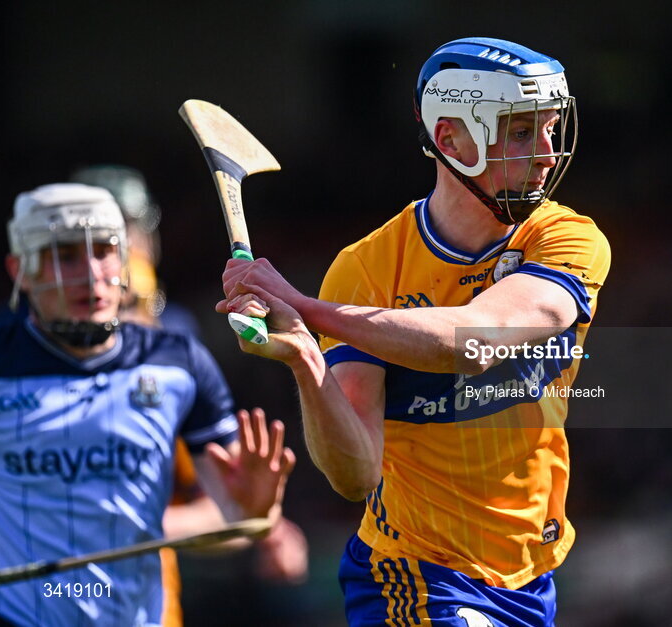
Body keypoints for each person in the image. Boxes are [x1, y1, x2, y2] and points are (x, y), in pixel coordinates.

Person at [218, 37, 609, 624]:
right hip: (415, 576)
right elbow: (354, 475)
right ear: (451, 139)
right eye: (523, 132)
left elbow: (480, 338)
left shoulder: (566, 238)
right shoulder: (368, 269)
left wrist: (309, 310)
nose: (548, 153)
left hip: (530, 578)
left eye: (552, 128)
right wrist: (304, 355)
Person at [0, 183, 296, 627]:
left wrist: (252, 514)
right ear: (21, 269)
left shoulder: (178, 362)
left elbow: (229, 524)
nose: (91, 273)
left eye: (104, 251)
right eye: (66, 255)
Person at [69, 165, 310, 621]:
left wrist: (263, 522)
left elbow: (224, 508)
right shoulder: (15, 360)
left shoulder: (173, 352)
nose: (111, 257)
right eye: (97, 237)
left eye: (130, 230)